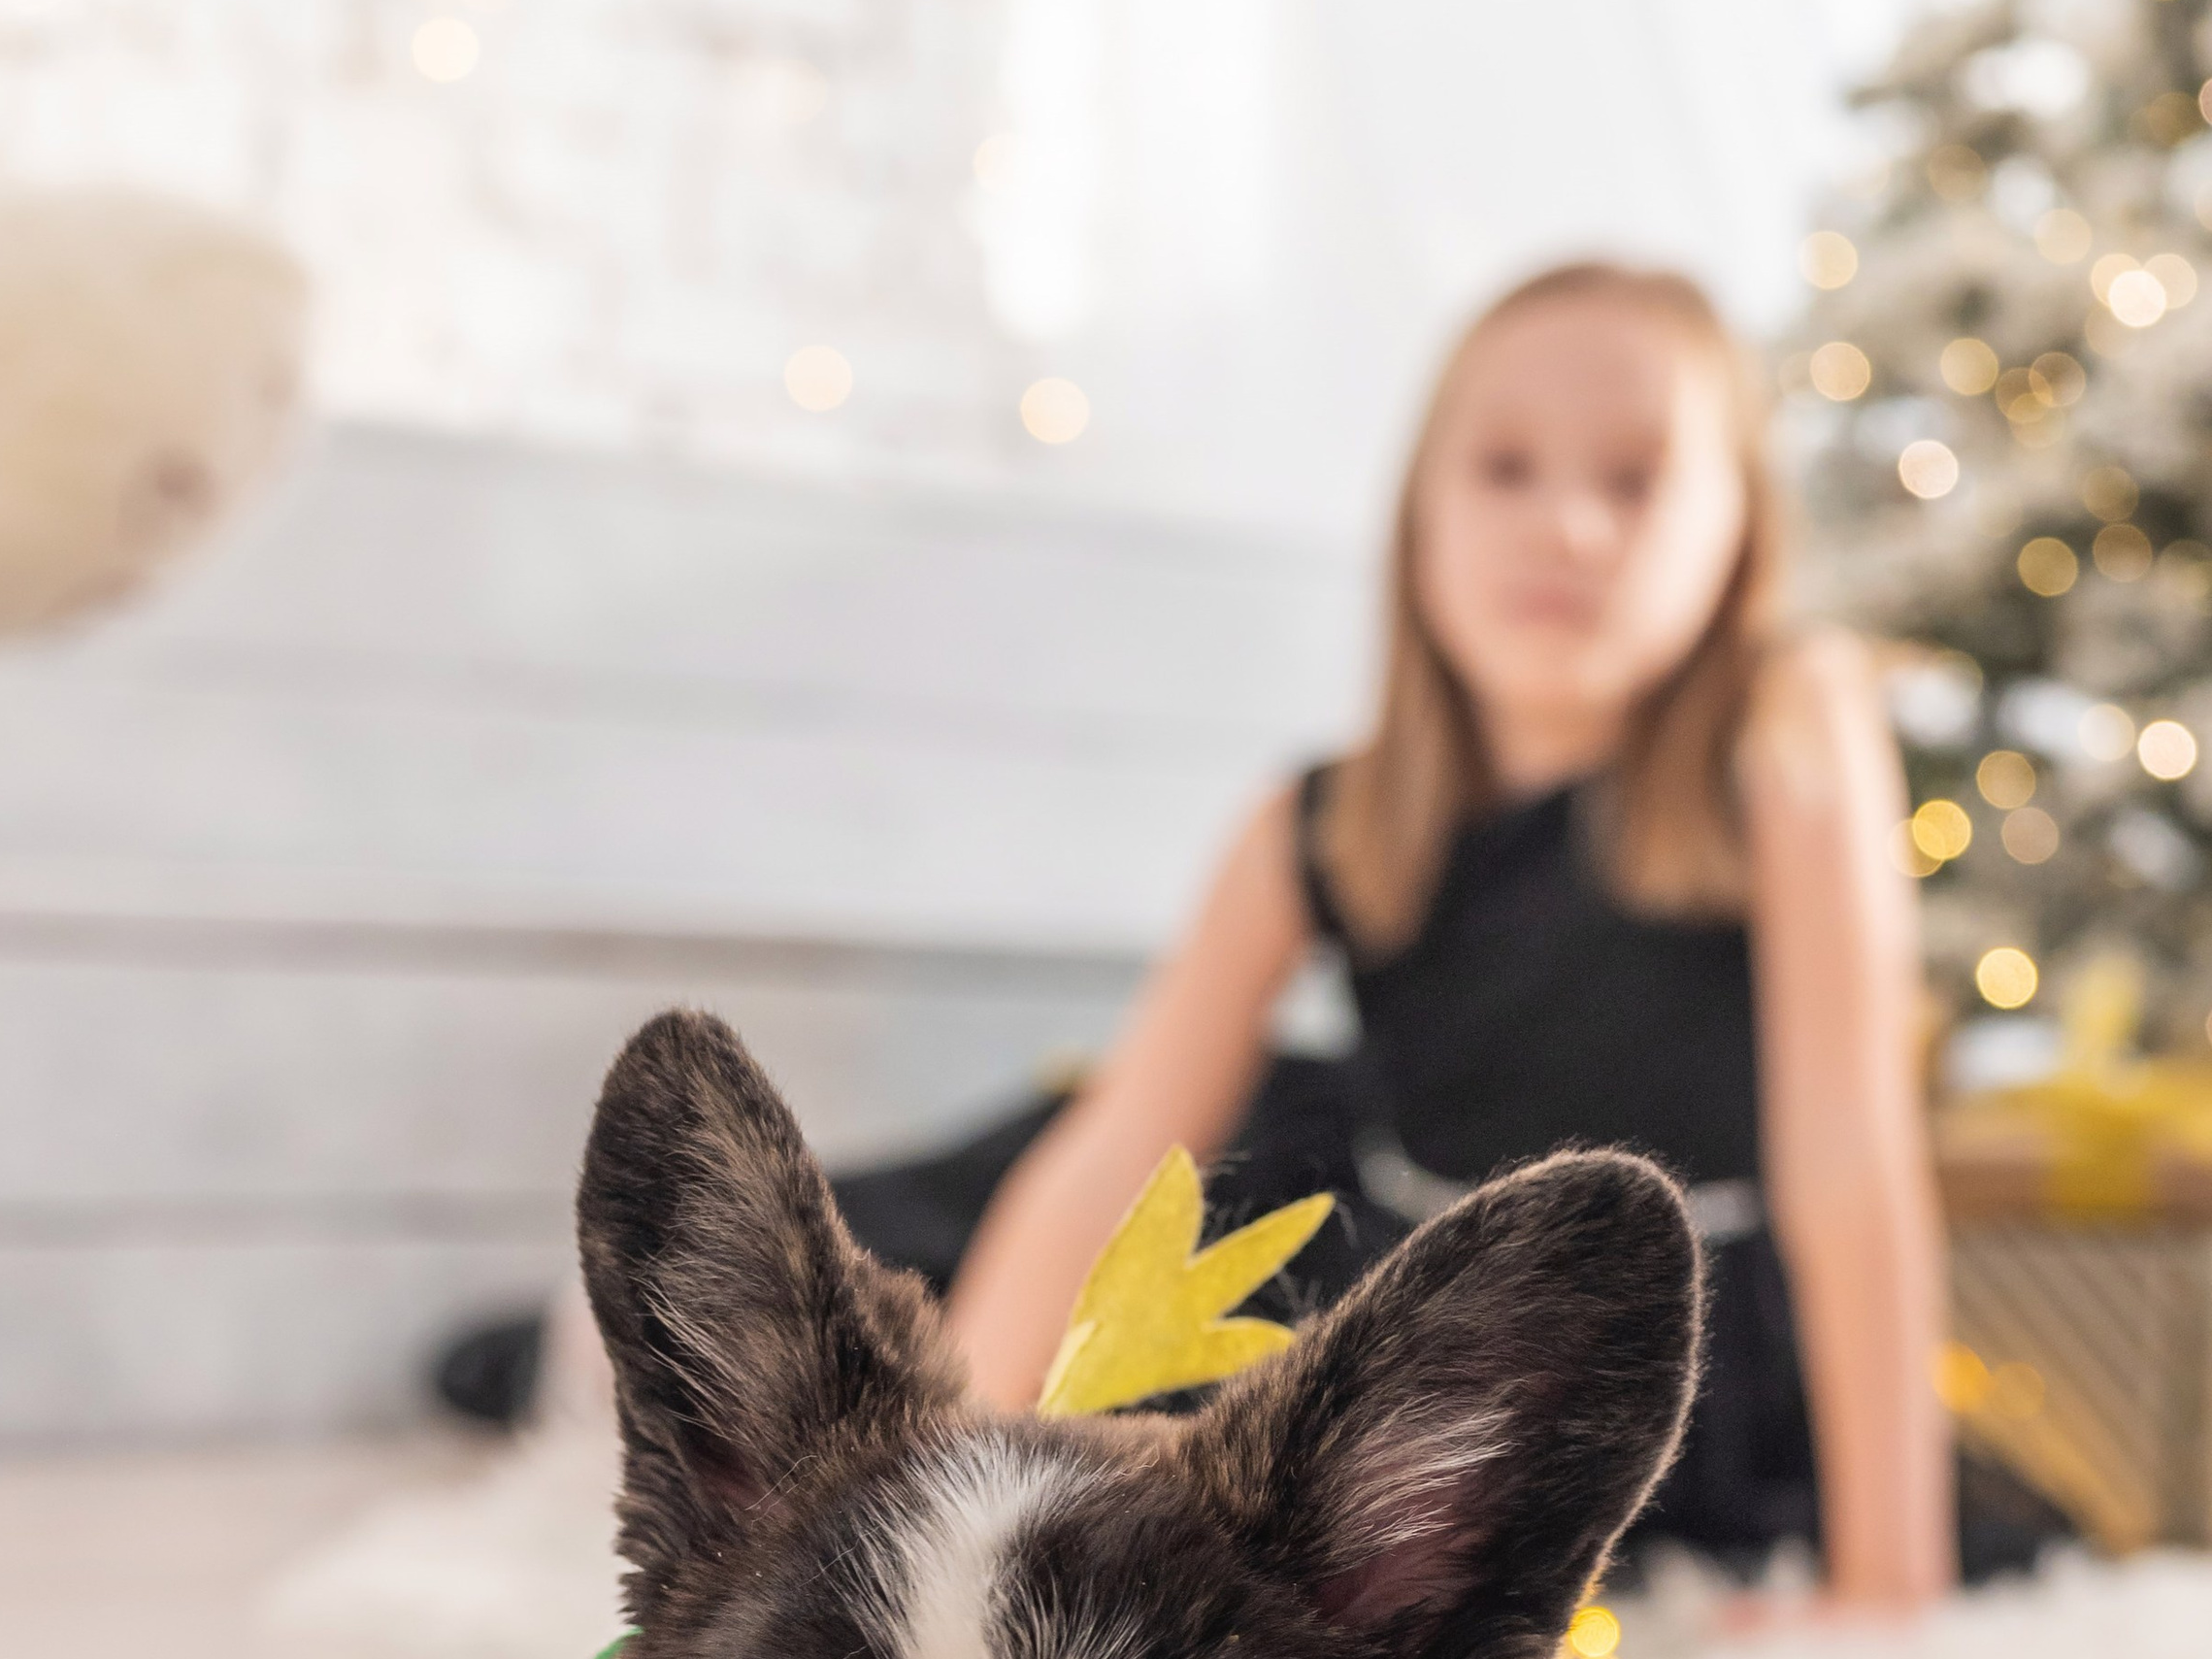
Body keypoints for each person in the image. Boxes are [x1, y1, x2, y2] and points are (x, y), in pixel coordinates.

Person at [445, 258, 2050, 1592]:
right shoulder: (1324, 815)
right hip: (1387, 1245)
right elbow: (1122, 1147)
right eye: (1507, 471)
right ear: (1419, 524)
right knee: (1050, 1167)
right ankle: (619, 1353)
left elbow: (1851, 1156)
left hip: (1671, 1327)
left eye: (1635, 482)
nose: (1569, 524)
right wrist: (953, 1472)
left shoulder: (1789, 733)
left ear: (1739, 532)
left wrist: (1885, 1581)